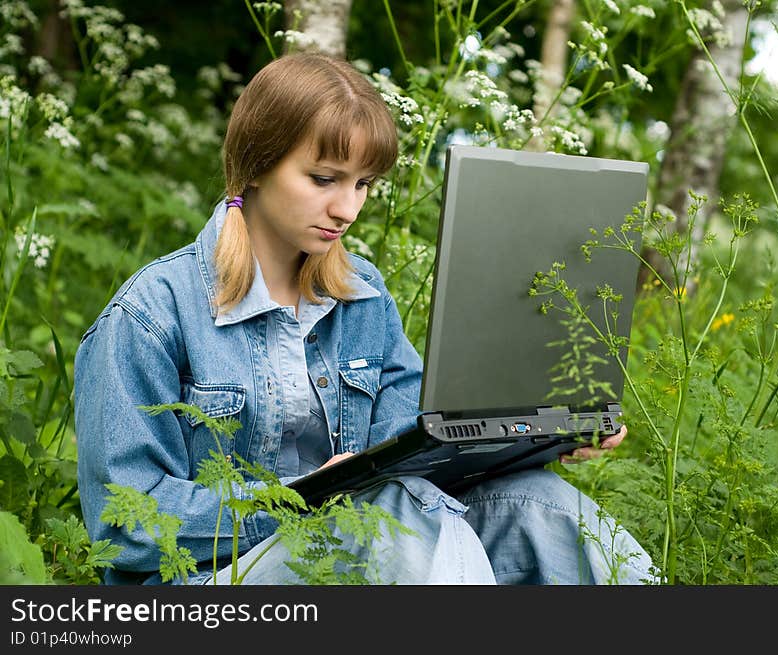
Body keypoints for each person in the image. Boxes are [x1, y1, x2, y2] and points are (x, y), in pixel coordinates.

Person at [74, 52, 655, 585]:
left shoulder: (362, 294)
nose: (347, 209)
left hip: (378, 547)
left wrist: (533, 438)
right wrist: (300, 497)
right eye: (324, 179)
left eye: (363, 185)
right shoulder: (150, 314)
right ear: (255, 166)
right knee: (385, 517)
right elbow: (126, 527)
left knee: (543, 507)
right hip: (207, 585)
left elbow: (410, 453)